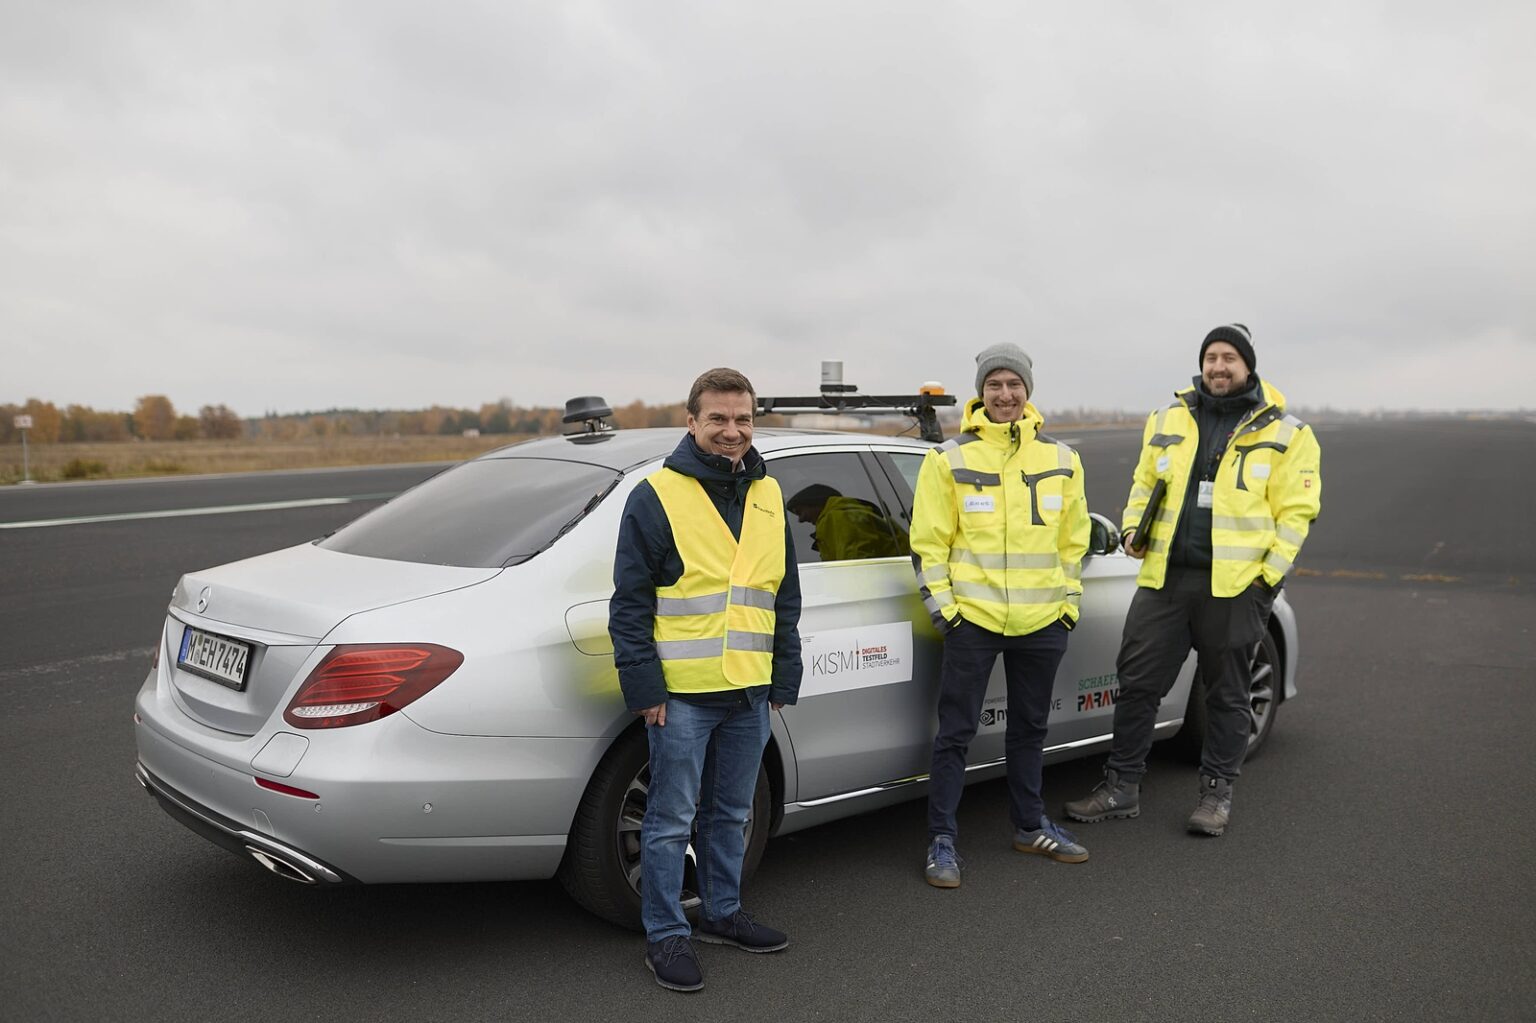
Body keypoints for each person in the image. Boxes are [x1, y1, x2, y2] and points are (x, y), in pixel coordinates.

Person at [1064, 323, 1321, 836]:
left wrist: (1266, 580)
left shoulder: (1287, 433)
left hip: (1235, 587)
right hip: (1165, 579)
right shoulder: (1168, 418)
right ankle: (1121, 786)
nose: (1218, 366)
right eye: (1211, 357)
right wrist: (1134, 528)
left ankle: (1216, 796)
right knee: (1136, 685)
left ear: (1248, 365)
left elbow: (1297, 514)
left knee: (1226, 694)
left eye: (1229, 357)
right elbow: (1143, 484)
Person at [608, 367, 802, 993]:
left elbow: (782, 595)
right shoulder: (656, 495)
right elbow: (630, 604)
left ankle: (722, 913)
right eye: (717, 419)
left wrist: (782, 674)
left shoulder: (769, 493)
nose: (732, 431)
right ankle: (666, 936)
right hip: (682, 695)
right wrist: (645, 689)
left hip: (748, 689)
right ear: (690, 422)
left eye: (743, 418)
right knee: (669, 820)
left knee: (731, 815)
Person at [910, 343, 1091, 888]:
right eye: (995, 385)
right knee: (956, 734)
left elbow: (1073, 542)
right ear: (980, 392)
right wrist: (949, 615)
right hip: (975, 622)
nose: (1005, 395)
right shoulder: (950, 458)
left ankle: (1029, 824)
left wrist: (1068, 606)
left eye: (1014, 384)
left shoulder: (1062, 459)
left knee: (1031, 728)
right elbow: (927, 546)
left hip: (1042, 621)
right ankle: (941, 839)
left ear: (1028, 390)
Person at [785, 483, 909, 561]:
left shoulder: (841, 516)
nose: (800, 520)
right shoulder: (839, 516)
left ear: (815, 504)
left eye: (800, 512)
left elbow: (854, 561)